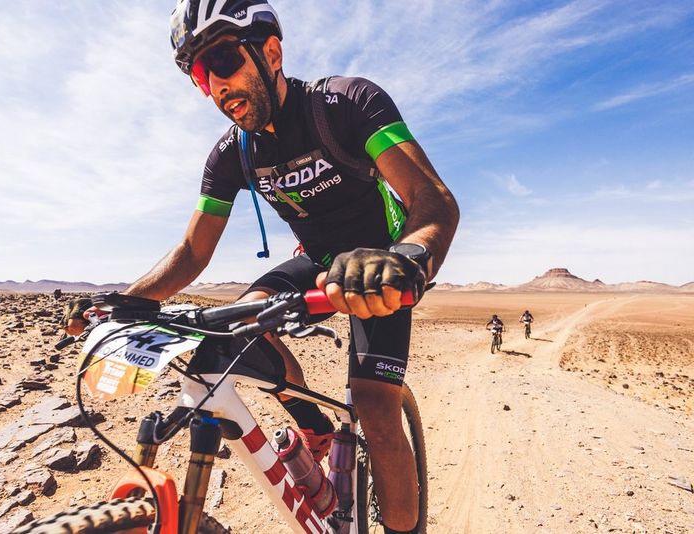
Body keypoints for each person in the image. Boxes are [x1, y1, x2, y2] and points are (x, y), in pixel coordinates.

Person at [66, 2, 459, 532]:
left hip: (376, 266)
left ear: (271, 51)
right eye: (201, 76)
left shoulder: (345, 103)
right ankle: (313, 427)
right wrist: (126, 301)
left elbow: (431, 199)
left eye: (223, 60)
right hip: (317, 266)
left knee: (376, 408)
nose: (215, 85)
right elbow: (192, 251)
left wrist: (407, 259)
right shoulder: (231, 154)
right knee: (242, 324)